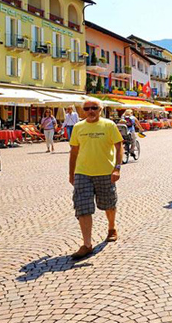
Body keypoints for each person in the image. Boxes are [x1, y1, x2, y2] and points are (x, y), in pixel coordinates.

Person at [68, 97, 123, 259]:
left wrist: (117, 168)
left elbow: (119, 146)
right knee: (82, 206)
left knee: (108, 203)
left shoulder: (109, 125)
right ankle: (87, 244)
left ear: (101, 110)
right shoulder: (78, 127)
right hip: (82, 172)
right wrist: (71, 173)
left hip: (105, 171)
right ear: (82, 111)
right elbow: (74, 152)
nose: (90, 111)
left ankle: (111, 227)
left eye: (94, 108)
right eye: (87, 109)